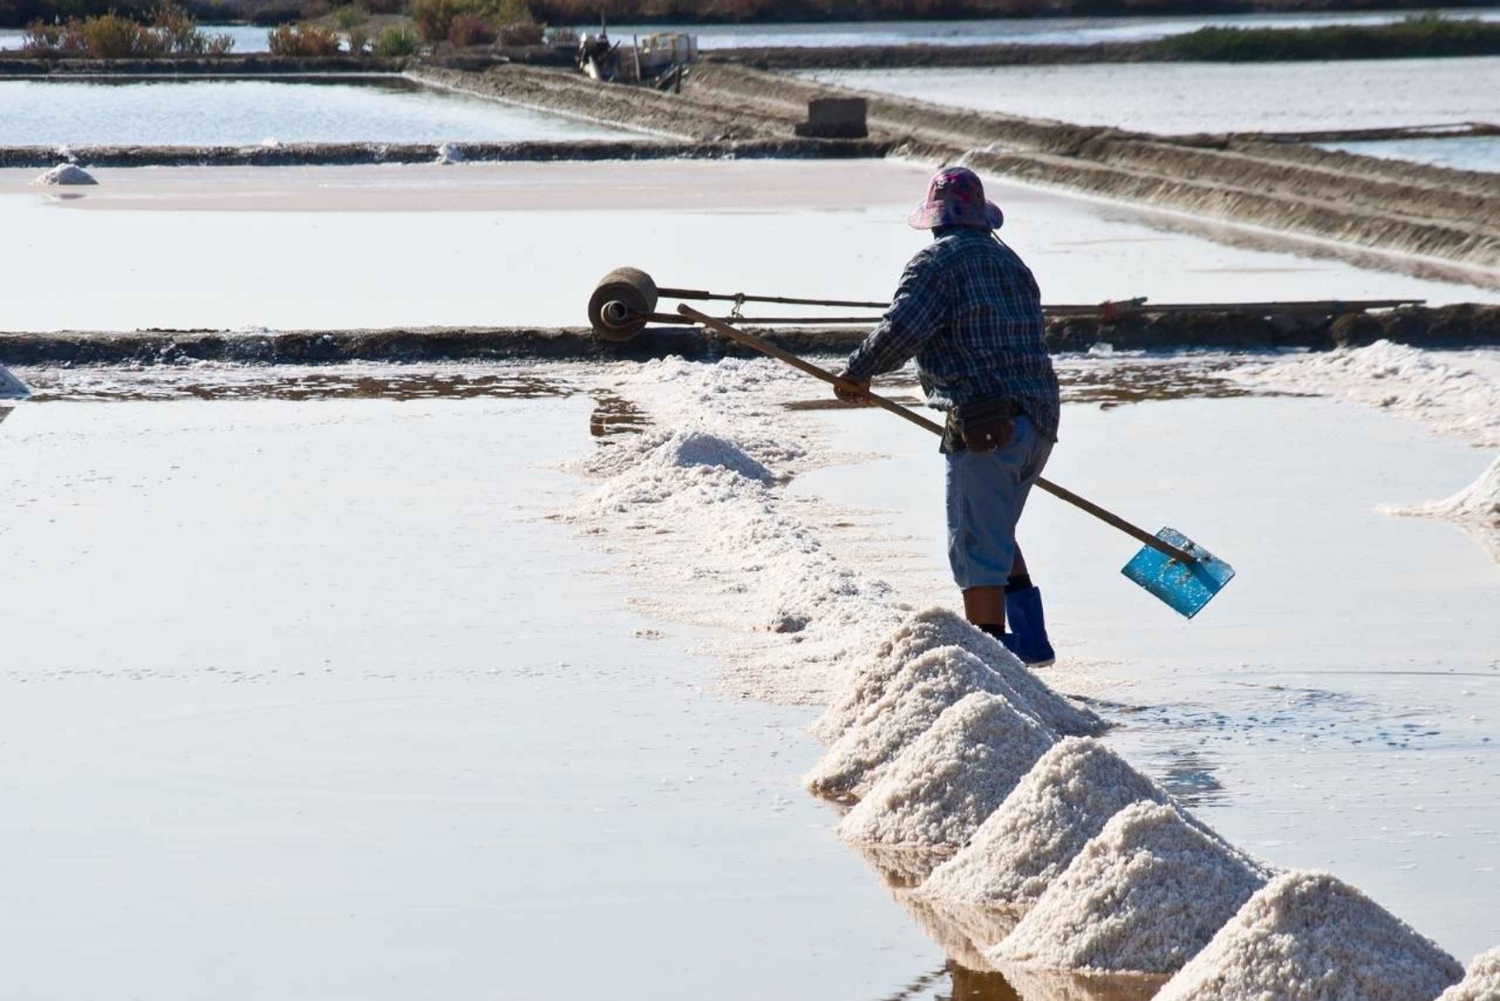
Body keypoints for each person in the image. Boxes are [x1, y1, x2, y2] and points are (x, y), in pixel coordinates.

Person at [836, 165, 1060, 667]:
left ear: (936, 220)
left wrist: (858, 372)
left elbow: (902, 329)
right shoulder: (1011, 263)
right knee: (994, 528)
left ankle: (993, 668)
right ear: (981, 218)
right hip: (1040, 421)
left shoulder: (935, 264)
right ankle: (1031, 643)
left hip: (987, 425)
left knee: (975, 547)